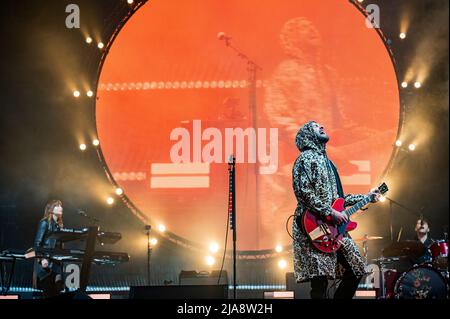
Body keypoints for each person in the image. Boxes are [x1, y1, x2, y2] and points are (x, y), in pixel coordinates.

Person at [292, 121, 381, 299]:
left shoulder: (330, 164)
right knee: (320, 281)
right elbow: (303, 191)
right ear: (308, 134)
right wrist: (329, 212)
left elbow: (340, 199)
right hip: (314, 224)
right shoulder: (305, 159)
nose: (322, 126)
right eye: (316, 126)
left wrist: (367, 196)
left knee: (356, 269)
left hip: (334, 228)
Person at [33, 199, 65, 298]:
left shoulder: (59, 225)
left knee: (57, 291)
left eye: (61, 206)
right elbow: (37, 243)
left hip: (57, 263)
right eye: (57, 205)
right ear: (51, 209)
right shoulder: (44, 223)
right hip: (47, 264)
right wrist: (42, 258)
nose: (60, 208)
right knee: (48, 292)